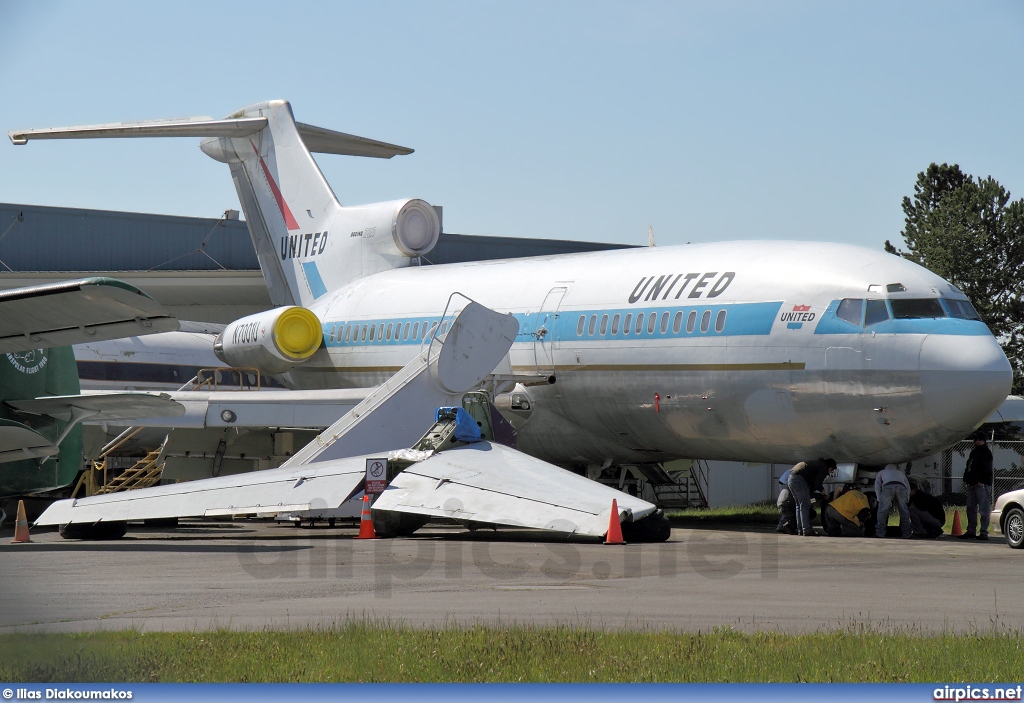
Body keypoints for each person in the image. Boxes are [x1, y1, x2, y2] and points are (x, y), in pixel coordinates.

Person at [787, 458, 837, 536]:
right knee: (805, 505)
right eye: (831, 470)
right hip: (799, 479)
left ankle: (800, 529)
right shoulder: (823, 468)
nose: (830, 472)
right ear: (830, 467)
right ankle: (807, 530)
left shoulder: (815, 464)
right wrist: (824, 492)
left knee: (799, 505)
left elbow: (810, 488)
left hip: (791, 478)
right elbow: (817, 484)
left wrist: (820, 495)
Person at [960, 435, 994, 540]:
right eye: (976, 440)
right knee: (971, 508)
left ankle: (984, 532)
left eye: (980, 440)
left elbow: (987, 469)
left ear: (984, 441)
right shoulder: (974, 452)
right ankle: (971, 531)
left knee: (983, 509)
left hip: (981, 484)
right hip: (972, 483)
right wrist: (966, 478)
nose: (977, 442)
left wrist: (981, 480)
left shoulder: (986, 453)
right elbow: (969, 466)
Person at [874, 464, 912, 538]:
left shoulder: (882, 472)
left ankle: (880, 533)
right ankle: (906, 533)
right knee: (904, 511)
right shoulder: (901, 473)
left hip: (888, 486)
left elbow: (877, 485)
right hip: (901, 487)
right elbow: (908, 487)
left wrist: (879, 498)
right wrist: (907, 498)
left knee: (882, 511)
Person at [776, 469, 797, 534]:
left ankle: (780, 526)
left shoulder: (794, 469)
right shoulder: (798, 474)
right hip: (785, 482)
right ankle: (789, 526)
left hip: (782, 481)